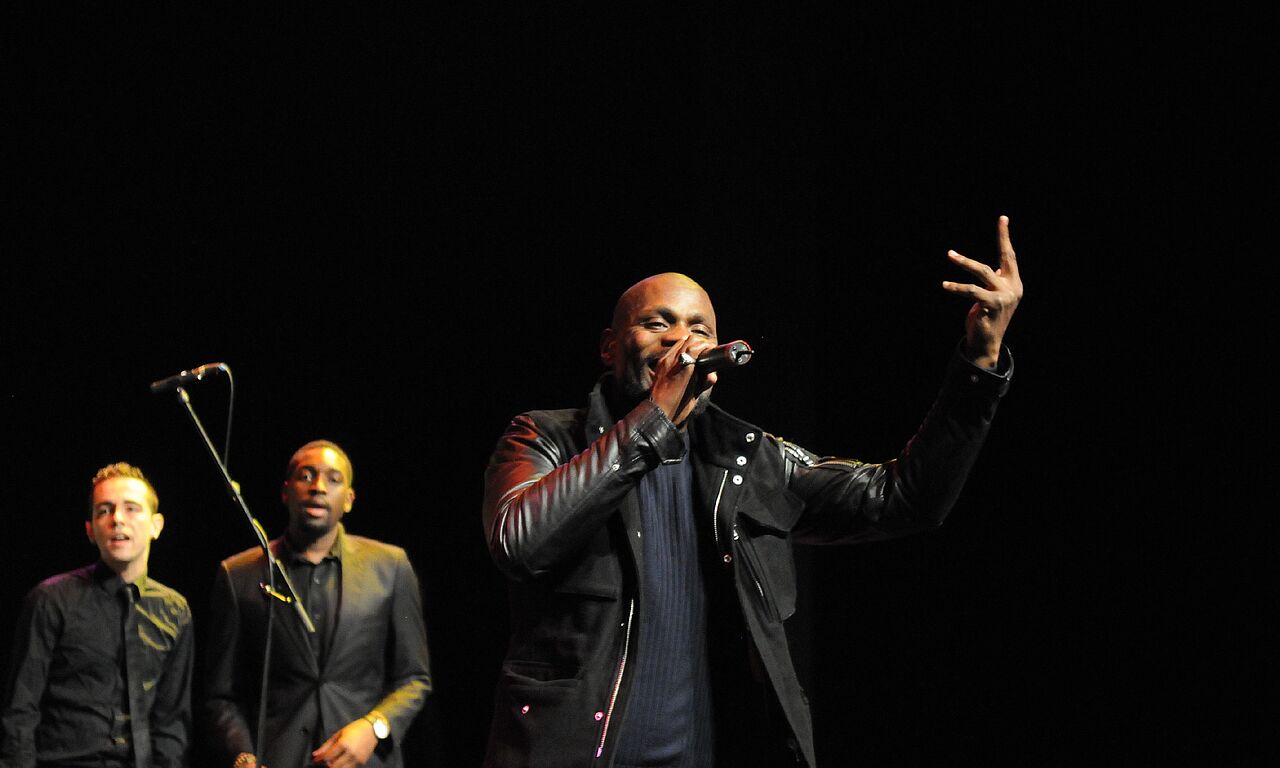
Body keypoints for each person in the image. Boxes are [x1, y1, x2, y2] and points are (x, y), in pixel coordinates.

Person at [479, 216, 1023, 767]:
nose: (679, 341)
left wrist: (979, 363)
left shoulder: (749, 458)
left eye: (698, 330)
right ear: (609, 346)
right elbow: (519, 542)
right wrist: (655, 418)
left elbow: (902, 499)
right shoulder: (546, 436)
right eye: (657, 323)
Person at [202, 440, 432, 768]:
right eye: (306, 476)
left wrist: (375, 727)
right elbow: (221, 695)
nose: (318, 487)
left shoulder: (390, 566)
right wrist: (244, 757)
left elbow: (414, 677)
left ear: (349, 499)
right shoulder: (239, 574)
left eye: (333, 479)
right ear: (285, 491)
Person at [0, 462, 194, 767]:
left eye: (131, 509)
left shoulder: (174, 610)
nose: (117, 519)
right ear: (91, 530)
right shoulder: (51, 600)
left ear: (156, 525)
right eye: (104, 510)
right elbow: (20, 712)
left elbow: (171, 722)